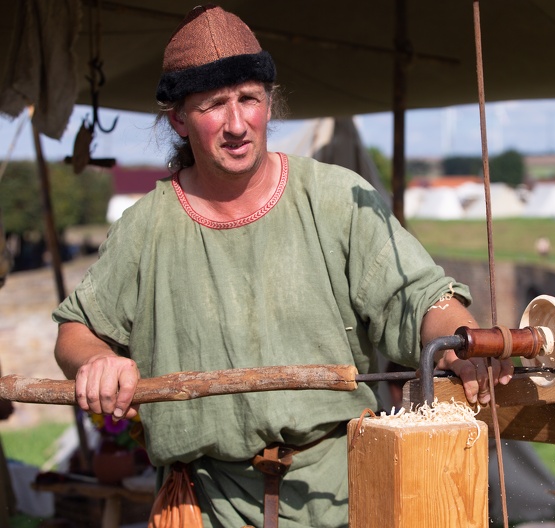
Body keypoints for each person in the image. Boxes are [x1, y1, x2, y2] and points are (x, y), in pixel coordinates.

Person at [52, 5, 513, 528]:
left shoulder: (336, 198)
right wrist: (94, 360)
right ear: (179, 119)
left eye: (249, 99)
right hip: (203, 502)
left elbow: (419, 297)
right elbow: (76, 331)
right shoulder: (145, 227)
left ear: (268, 103)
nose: (236, 124)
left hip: (338, 496)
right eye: (212, 105)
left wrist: (465, 340)